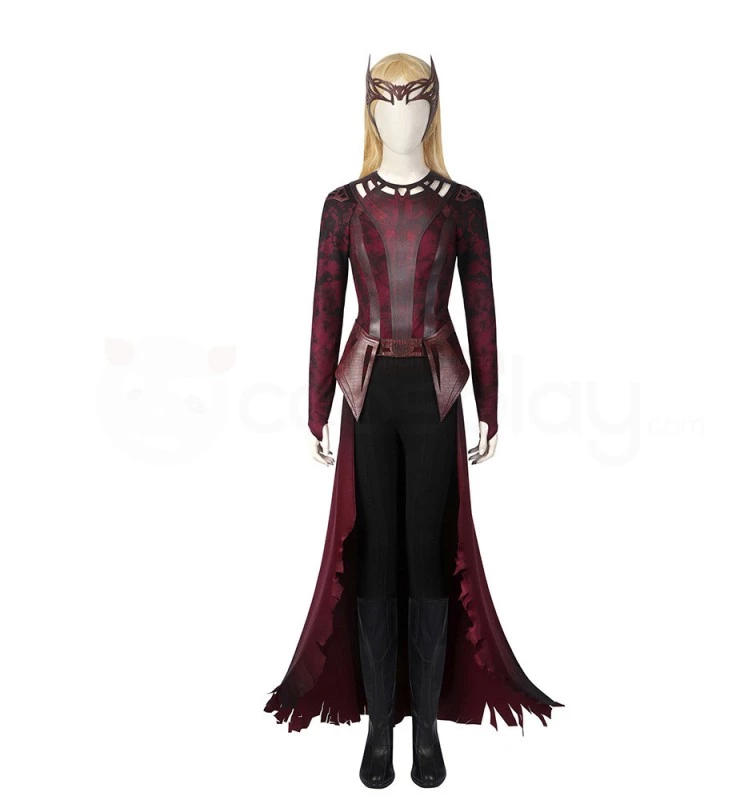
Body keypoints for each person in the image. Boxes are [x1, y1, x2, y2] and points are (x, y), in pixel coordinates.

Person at [264, 53, 563, 790]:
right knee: (374, 554)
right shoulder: (343, 205)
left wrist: (491, 405)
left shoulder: (463, 205)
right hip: (367, 395)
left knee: (428, 554)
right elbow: (325, 307)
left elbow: (482, 308)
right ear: (369, 110)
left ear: (434, 108)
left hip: (435, 394)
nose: (402, 113)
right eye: (388, 100)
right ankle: (379, 733)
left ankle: (425, 730)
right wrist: (315, 409)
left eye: (416, 99)